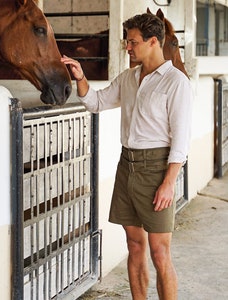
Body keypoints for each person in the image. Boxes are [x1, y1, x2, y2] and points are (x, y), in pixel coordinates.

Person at [61, 12, 192, 300]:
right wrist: (81, 77)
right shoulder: (129, 78)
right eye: (127, 42)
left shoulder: (175, 82)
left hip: (157, 169)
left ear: (153, 41)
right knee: (134, 246)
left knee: (160, 252)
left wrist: (169, 182)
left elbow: (180, 140)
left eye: (133, 42)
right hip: (127, 166)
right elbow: (96, 103)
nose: (128, 48)